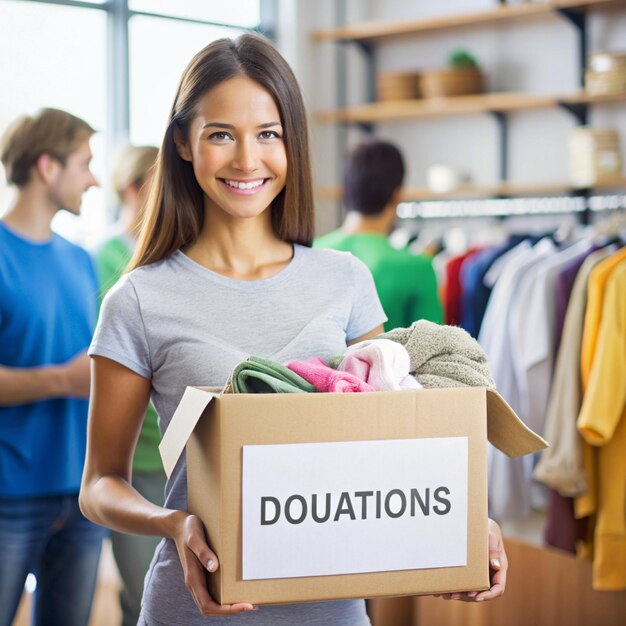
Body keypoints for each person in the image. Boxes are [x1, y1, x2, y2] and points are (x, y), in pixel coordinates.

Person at [79, 34, 507, 626]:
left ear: (292, 144)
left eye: (268, 135)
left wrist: (465, 521)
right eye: (221, 134)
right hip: (196, 608)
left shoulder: (345, 281)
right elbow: (100, 483)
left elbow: (393, 441)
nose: (247, 160)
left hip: (332, 612)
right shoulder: (139, 300)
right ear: (183, 143)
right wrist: (173, 524)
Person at [0, 108, 106, 626]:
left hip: (82, 492)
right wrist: (63, 380)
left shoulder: (80, 260)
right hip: (9, 493)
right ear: (47, 167)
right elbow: (72, 373)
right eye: (84, 163)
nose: (94, 178)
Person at [95, 145, 166, 626]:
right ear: (132, 190)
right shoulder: (109, 261)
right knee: (142, 594)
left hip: (178, 452)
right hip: (137, 456)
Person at [314, 139, 443, 330]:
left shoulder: (308, 251)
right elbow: (433, 352)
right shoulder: (417, 268)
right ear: (398, 195)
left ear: (346, 190)